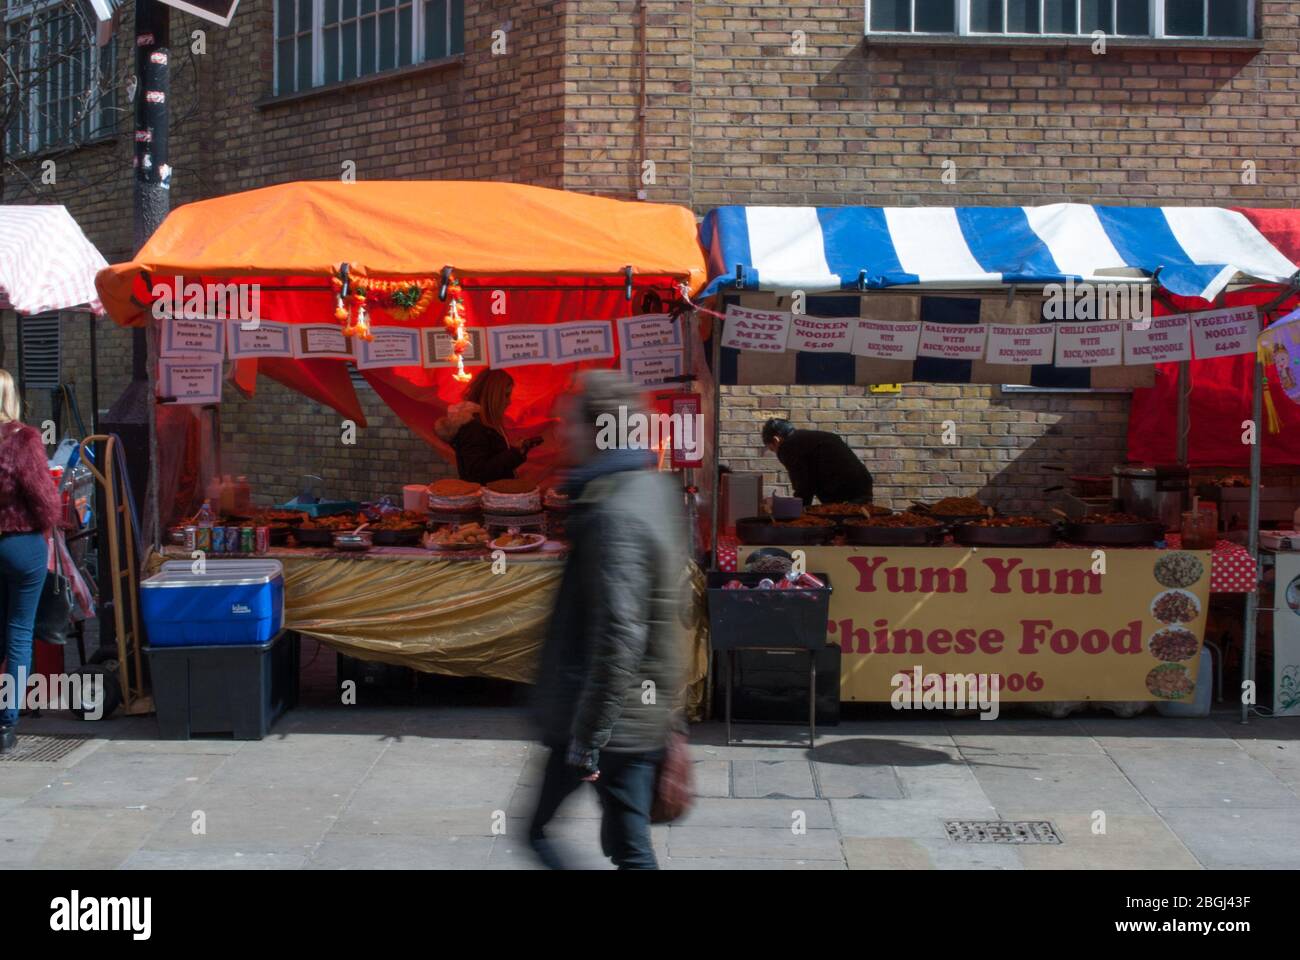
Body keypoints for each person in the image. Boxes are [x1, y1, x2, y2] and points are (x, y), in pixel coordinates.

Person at [529, 371, 687, 870]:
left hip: (605, 717)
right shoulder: (653, 488)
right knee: (629, 848)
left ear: (596, 430)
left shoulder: (612, 512)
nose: (561, 434)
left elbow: (621, 633)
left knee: (543, 835)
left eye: (568, 424)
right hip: (638, 712)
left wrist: (587, 740)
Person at [0, 369, 60, 753]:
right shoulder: (23, 438)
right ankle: (6, 725)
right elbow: (44, 499)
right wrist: (48, 525)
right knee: (19, 632)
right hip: (21, 545)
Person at [433, 368, 543, 484]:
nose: (509, 401)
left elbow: (489, 456)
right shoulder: (474, 427)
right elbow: (478, 473)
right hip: (485, 494)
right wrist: (514, 454)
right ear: (493, 395)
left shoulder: (483, 422)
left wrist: (515, 450)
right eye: (506, 395)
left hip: (491, 493)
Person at [761, 417, 873, 505]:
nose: (776, 453)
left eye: (772, 449)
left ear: (776, 440)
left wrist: (797, 515)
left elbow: (803, 486)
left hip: (844, 492)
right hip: (861, 484)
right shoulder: (807, 438)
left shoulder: (788, 447)